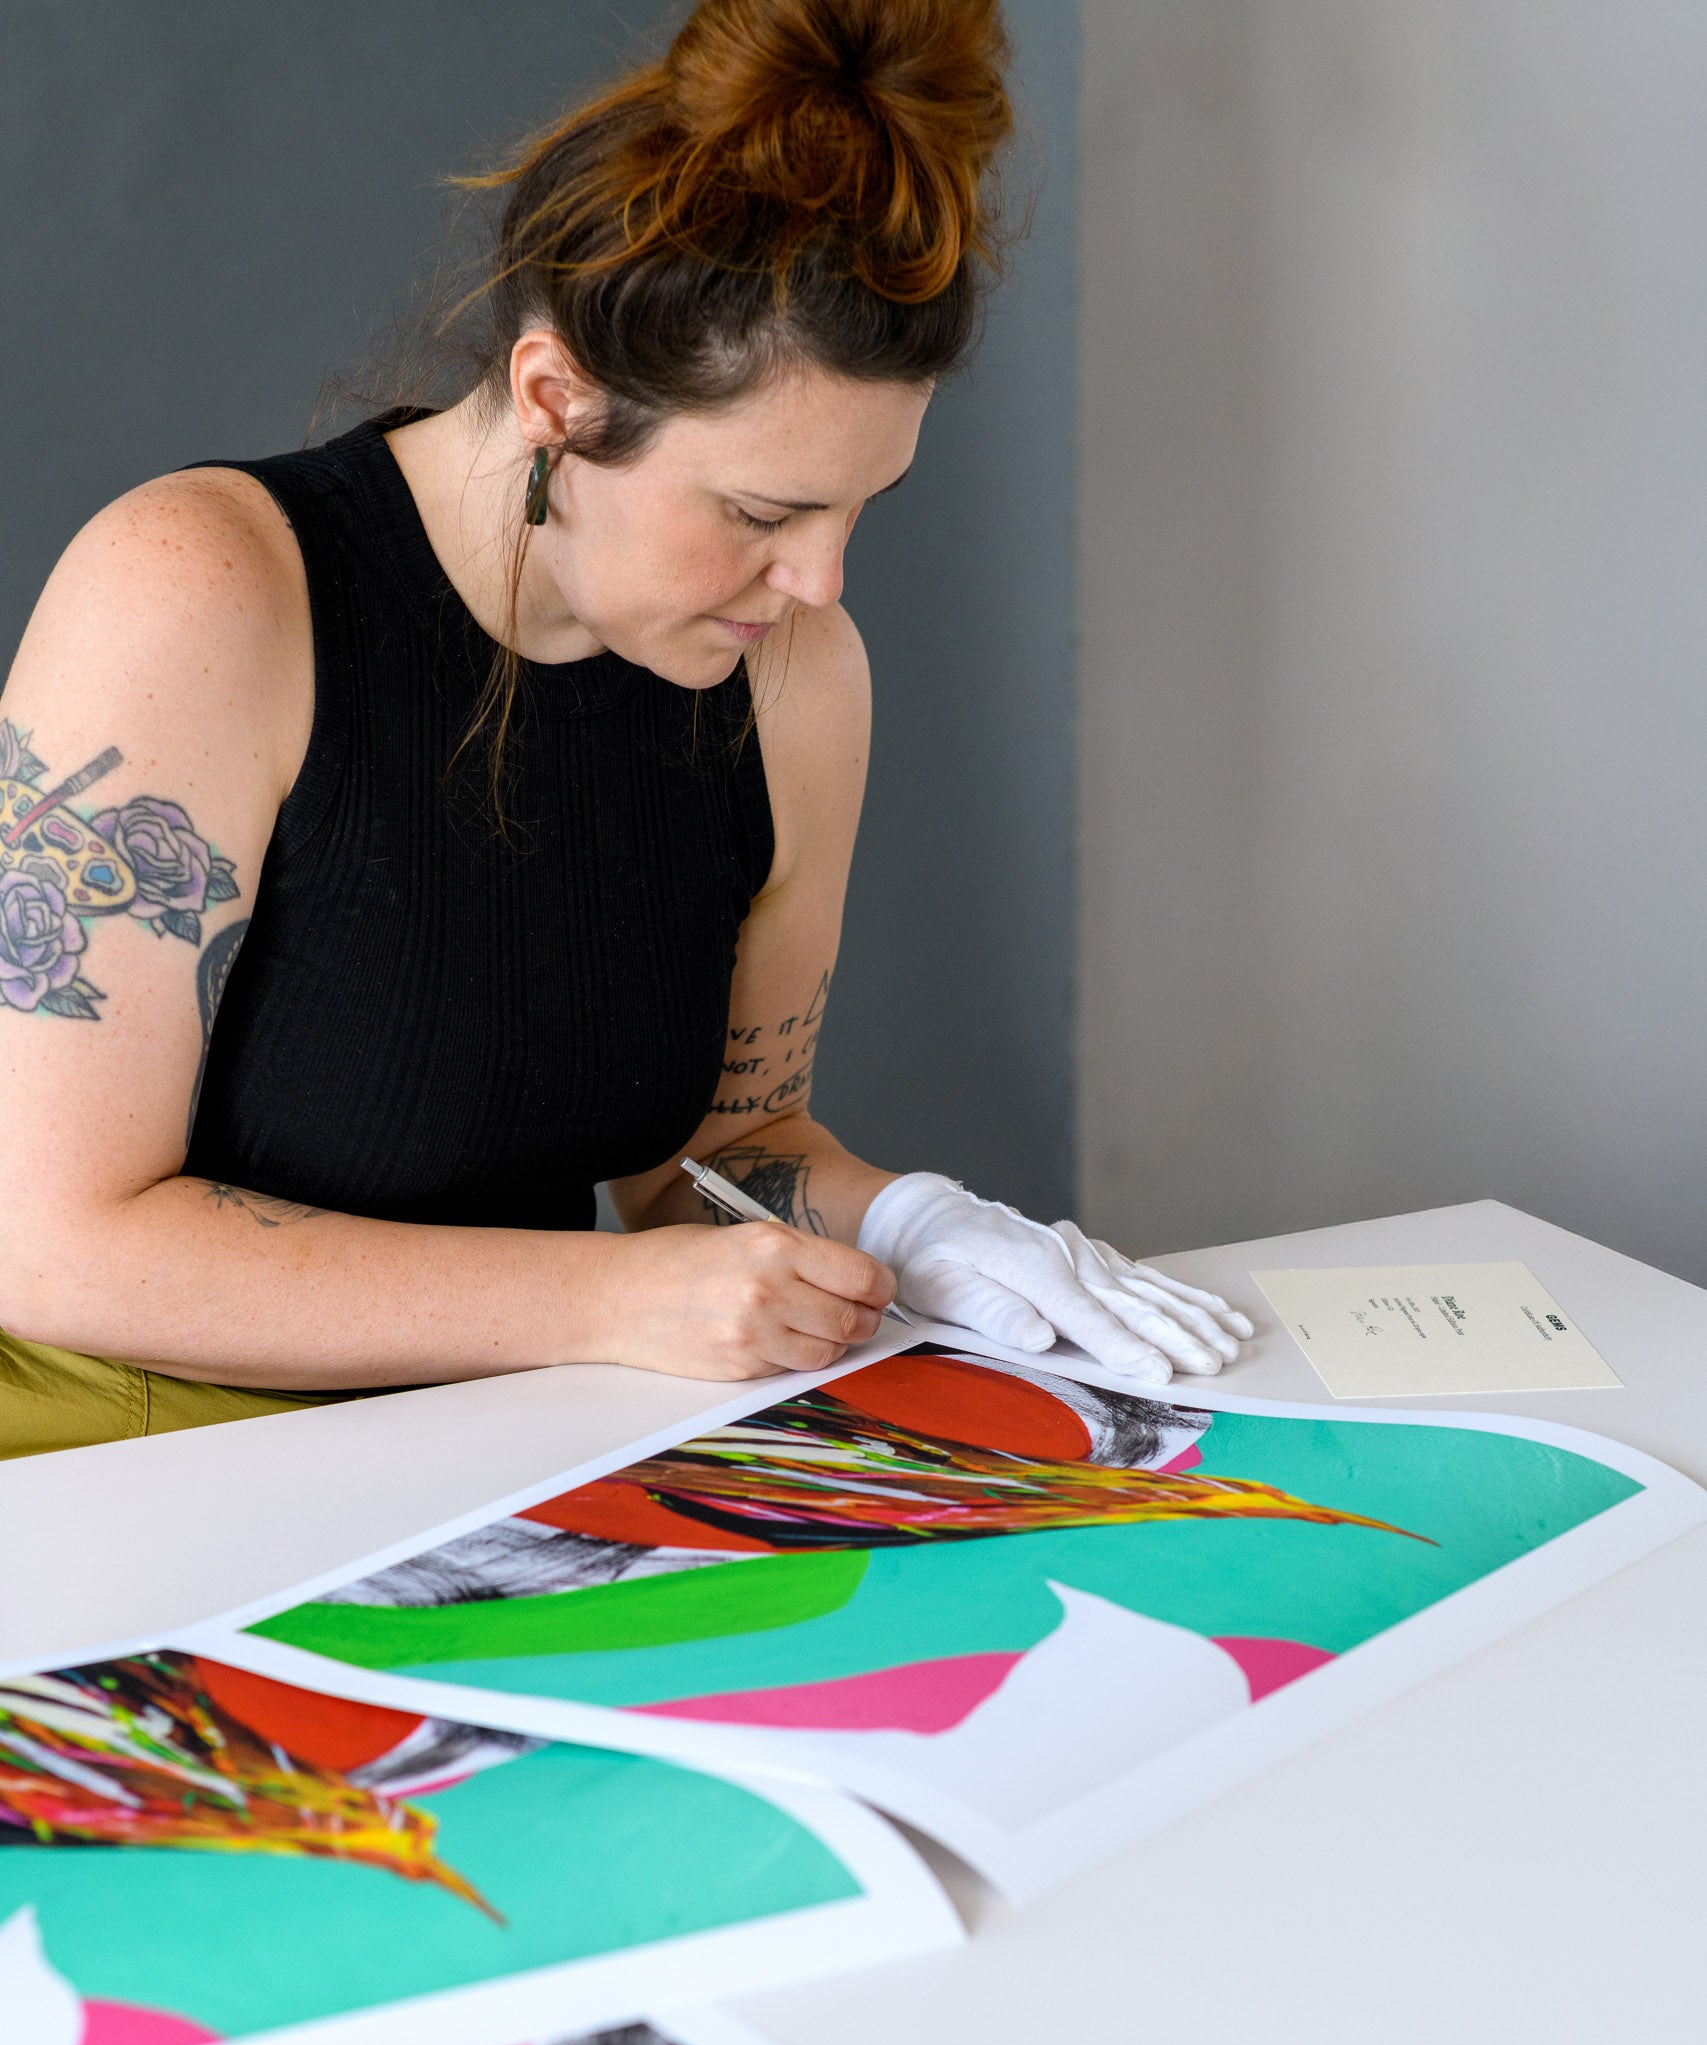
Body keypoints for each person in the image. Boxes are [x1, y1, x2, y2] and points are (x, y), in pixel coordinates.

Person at [0, 0, 1250, 1464]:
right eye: (762, 514)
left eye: (861, 511)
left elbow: (718, 1162)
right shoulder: (201, 595)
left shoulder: (797, 683)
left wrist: (918, 1224)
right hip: (111, 1469)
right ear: (556, 399)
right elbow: (49, 1240)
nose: (821, 583)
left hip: (496, 1455)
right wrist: (604, 1298)